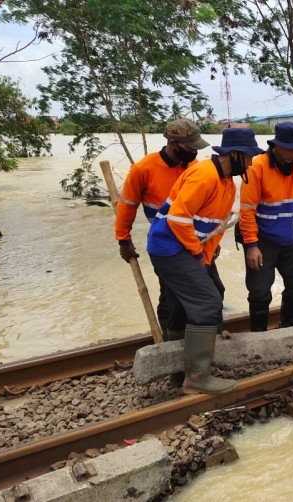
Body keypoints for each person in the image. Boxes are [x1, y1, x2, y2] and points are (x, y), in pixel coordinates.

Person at [147, 128, 263, 394]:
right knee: (208, 303)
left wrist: (205, 259)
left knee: (182, 305)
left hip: (179, 248)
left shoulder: (225, 182)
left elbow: (213, 228)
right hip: (170, 248)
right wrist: (197, 254)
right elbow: (177, 218)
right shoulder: (205, 175)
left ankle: (179, 372)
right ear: (234, 155)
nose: (250, 164)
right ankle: (197, 378)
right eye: (248, 158)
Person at [115, 119, 208, 335]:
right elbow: (127, 205)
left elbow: (205, 208)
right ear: (173, 143)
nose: (194, 151)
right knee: (170, 295)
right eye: (190, 147)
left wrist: (210, 240)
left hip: (194, 240)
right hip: (166, 244)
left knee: (209, 290)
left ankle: (197, 334)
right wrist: (123, 240)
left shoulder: (194, 167)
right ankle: (170, 338)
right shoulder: (143, 169)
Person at [238, 122, 293, 332]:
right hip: (261, 240)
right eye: (289, 149)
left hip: (287, 238)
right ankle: (258, 335)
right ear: (276, 146)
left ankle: (288, 328)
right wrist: (251, 245)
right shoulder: (256, 167)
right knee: (260, 293)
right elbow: (247, 211)